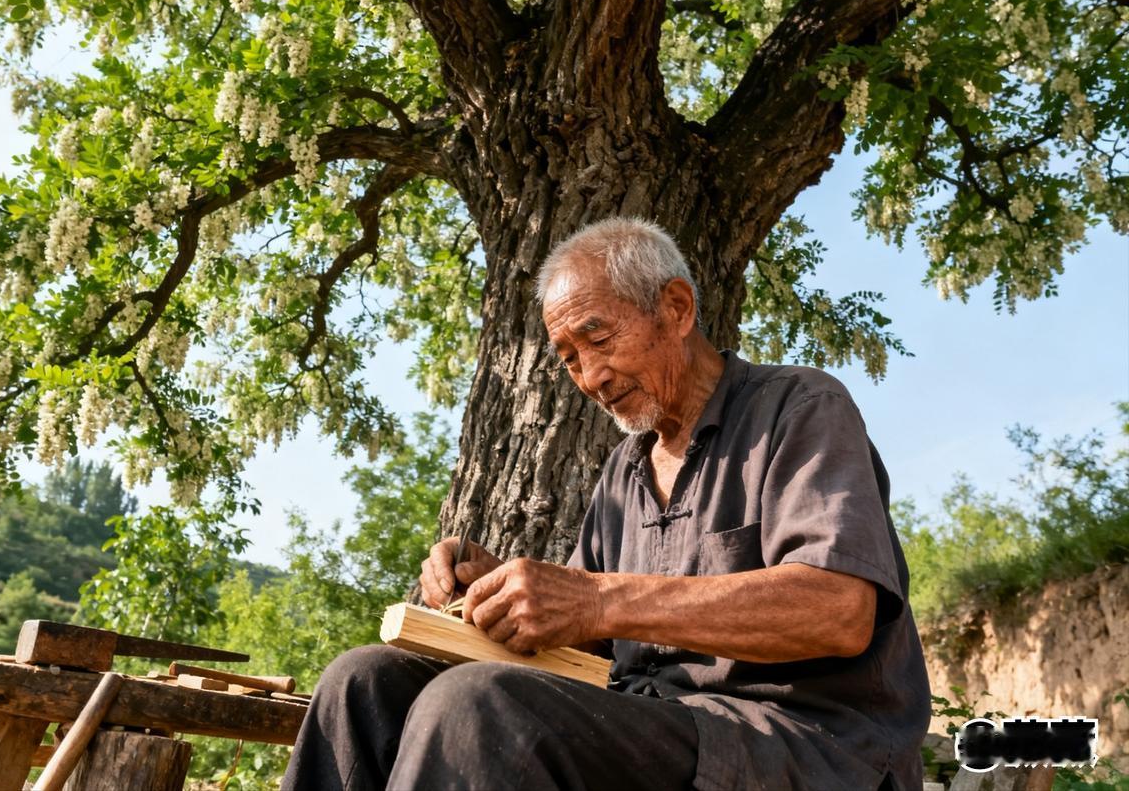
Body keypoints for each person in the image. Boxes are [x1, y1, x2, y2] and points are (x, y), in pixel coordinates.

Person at [283, 217, 930, 791]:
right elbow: (588, 640)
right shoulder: (625, 469)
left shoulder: (800, 406)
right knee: (364, 682)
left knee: (478, 702)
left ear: (676, 308)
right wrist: (497, 593)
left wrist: (595, 599)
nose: (590, 378)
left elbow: (839, 609)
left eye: (599, 338)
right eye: (569, 358)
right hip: (654, 723)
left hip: (796, 744)